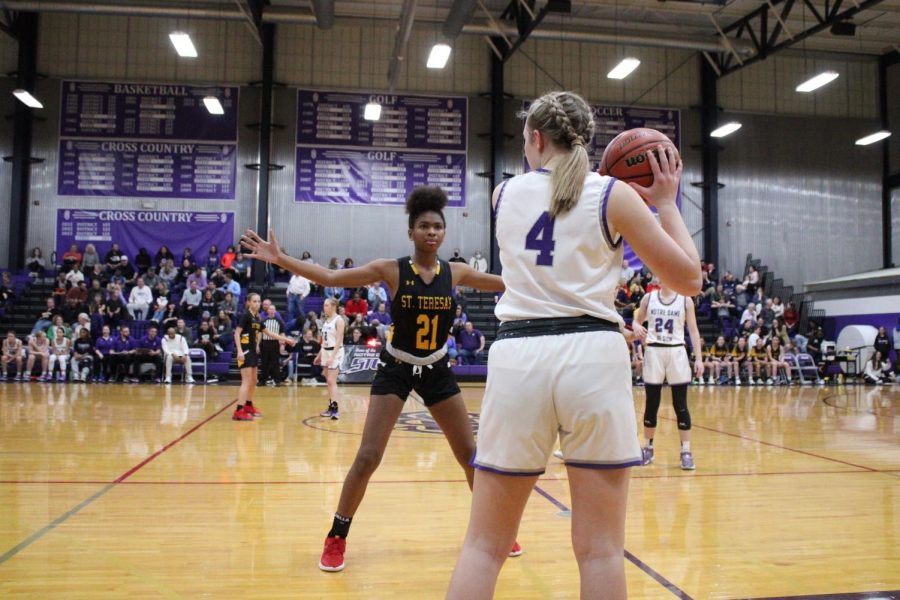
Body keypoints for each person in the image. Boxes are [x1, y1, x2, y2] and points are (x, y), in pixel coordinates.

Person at [446, 91, 700, 600]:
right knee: (601, 551)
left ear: (536, 139)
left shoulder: (503, 194)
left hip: (518, 355)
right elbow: (689, 279)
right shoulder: (614, 195)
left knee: (483, 547)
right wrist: (667, 203)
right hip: (592, 357)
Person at [240, 185, 509, 574]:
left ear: (444, 233)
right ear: (411, 232)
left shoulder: (457, 273)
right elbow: (331, 277)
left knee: (471, 456)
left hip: (435, 369)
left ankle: (493, 531)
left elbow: (509, 283)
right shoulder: (391, 269)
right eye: (423, 226)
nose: (431, 232)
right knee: (368, 456)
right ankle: (336, 535)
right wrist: (281, 260)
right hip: (396, 367)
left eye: (437, 226)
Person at [632, 282, 704, 467]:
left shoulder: (685, 300)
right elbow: (636, 321)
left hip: (676, 351)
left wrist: (699, 358)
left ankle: (686, 451)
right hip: (654, 351)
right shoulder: (648, 298)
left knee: (680, 403)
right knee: (652, 403)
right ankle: (648, 448)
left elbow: (693, 330)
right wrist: (636, 326)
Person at [232, 293, 293, 420]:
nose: (257, 304)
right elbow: (237, 333)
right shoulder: (246, 316)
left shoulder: (258, 318)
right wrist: (239, 351)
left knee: (254, 381)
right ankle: (238, 411)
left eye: (259, 301)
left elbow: (269, 333)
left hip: (253, 351)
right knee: (246, 381)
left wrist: (286, 339)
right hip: (244, 350)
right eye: (254, 301)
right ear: (248, 302)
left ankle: (248, 405)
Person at [316, 298, 345, 418]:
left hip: (336, 352)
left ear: (333, 307)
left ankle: (335, 409)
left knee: (331, 381)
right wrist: (319, 355)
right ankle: (331, 406)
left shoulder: (339, 320)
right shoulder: (326, 320)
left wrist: (332, 356)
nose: (324, 307)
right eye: (324, 305)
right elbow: (324, 341)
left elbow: (339, 340)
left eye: (326, 305)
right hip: (325, 351)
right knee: (328, 382)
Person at [260, 303, 288, 386]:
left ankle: (277, 380)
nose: (271, 311)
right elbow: (260, 334)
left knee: (275, 363)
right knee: (264, 363)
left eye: (273, 309)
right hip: (264, 343)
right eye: (270, 309)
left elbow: (282, 333)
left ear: (275, 311)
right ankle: (262, 380)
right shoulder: (263, 321)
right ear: (267, 311)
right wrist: (258, 345)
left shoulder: (279, 321)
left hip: (275, 343)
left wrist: (282, 344)